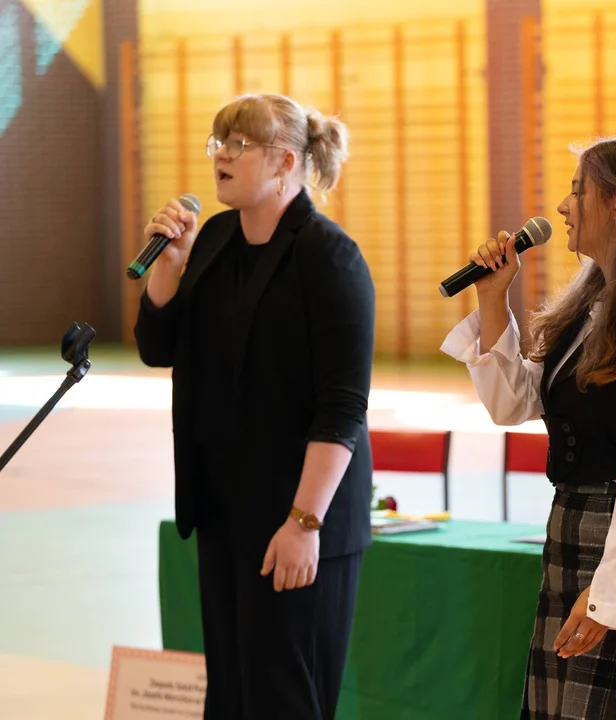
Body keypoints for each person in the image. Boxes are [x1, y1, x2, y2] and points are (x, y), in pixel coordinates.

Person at [441, 135, 616, 719]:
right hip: (572, 536)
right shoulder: (595, 306)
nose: (563, 207)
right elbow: (512, 404)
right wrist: (494, 299)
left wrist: (612, 594)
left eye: (576, 190)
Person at [134, 93, 375, 719]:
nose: (221, 155)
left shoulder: (329, 257)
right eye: (217, 142)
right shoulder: (213, 240)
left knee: (284, 698)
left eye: (239, 144)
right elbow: (157, 347)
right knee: (233, 697)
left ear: (285, 162)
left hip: (296, 515)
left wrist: (303, 523)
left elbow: (343, 406)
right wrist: (169, 267)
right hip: (225, 511)